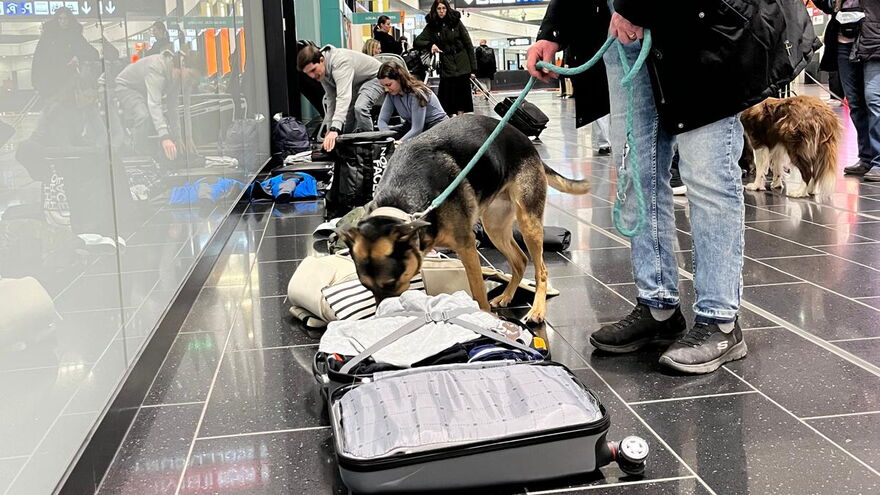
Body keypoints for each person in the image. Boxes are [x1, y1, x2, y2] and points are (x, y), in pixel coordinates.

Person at [527, 1, 814, 374]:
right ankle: (658, 306)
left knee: (708, 178)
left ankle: (720, 321)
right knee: (636, 177)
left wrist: (636, 8)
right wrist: (553, 30)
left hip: (701, 30)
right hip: (622, 35)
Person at [816, 0, 880, 181]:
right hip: (842, 40)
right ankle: (866, 158)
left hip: (874, 39)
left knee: (873, 99)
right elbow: (826, 5)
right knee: (855, 103)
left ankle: (878, 161)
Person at [114, 50, 201, 162]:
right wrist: (165, 137)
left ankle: (145, 149)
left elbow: (177, 108)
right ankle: (138, 154)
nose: (192, 82)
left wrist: (184, 137)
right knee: (143, 115)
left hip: (143, 89)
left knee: (158, 119)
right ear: (183, 65)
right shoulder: (157, 67)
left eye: (196, 79)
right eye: (191, 75)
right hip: (126, 86)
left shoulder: (183, 78)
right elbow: (154, 103)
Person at [297, 44, 385, 151]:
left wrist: (335, 129)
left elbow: (343, 97)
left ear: (321, 60)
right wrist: (330, 129)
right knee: (347, 118)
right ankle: (348, 150)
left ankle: (370, 148)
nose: (312, 76)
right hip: (358, 83)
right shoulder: (322, 71)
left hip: (377, 77)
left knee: (360, 107)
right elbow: (331, 99)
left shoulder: (340, 62)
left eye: (313, 70)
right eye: (308, 73)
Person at [415, 0, 477, 116]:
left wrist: (473, 69)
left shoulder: (456, 22)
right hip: (447, 65)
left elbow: (468, 44)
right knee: (447, 98)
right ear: (435, 10)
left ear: (447, 9)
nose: (442, 11)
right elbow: (417, 41)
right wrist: (430, 45)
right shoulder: (432, 26)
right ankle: (449, 122)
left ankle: (461, 120)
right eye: (439, 9)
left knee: (462, 98)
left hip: (462, 63)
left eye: (444, 8)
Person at [376, 62, 448, 140]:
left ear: (399, 79)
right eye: (383, 86)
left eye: (389, 85)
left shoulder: (417, 93)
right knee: (389, 134)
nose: (386, 89)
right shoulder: (391, 95)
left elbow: (417, 129)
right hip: (413, 125)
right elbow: (382, 120)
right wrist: (388, 137)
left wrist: (398, 143)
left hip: (436, 126)